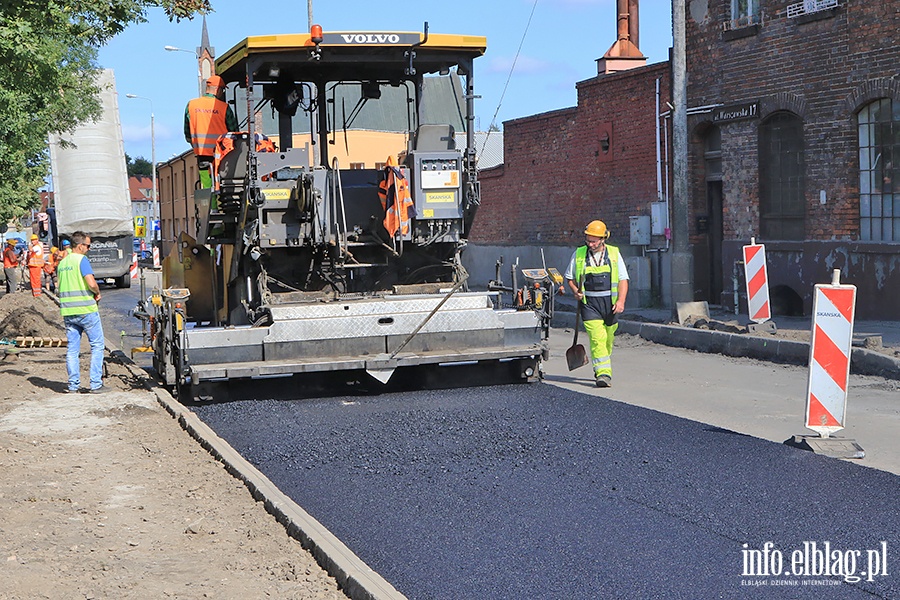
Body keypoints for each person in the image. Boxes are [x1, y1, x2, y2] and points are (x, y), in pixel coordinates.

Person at [564, 220, 629, 388]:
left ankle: (602, 364)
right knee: (597, 338)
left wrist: (621, 301)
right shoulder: (579, 254)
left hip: (610, 304)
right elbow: (570, 278)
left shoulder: (614, 254)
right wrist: (575, 291)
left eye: (593, 241)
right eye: (588, 240)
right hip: (589, 304)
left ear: (602, 239)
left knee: (607, 339)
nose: (590, 244)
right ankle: (603, 374)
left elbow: (623, 279)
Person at [57, 231, 105, 393]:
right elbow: (91, 282)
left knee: (72, 349)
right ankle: (96, 384)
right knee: (97, 346)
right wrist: (97, 292)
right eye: (88, 246)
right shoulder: (81, 260)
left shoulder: (63, 263)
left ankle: (73, 386)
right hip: (86, 310)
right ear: (80, 246)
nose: (89, 249)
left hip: (68, 312)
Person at [184, 75, 239, 188]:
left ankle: (210, 205)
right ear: (218, 89)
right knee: (222, 182)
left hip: (202, 154)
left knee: (207, 184)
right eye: (222, 90)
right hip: (222, 154)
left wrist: (195, 145)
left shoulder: (191, 105)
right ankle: (222, 204)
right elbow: (234, 133)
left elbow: (187, 133)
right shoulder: (224, 107)